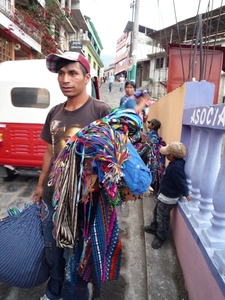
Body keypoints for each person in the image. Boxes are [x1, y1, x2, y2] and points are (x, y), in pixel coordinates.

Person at [33, 51, 111, 300]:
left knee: (78, 255)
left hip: (83, 205)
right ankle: (53, 290)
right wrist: (39, 185)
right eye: (61, 73)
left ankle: (77, 294)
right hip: (51, 197)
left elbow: (114, 156)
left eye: (72, 73)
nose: (65, 79)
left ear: (87, 77)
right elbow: (49, 150)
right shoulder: (55, 112)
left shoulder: (100, 111)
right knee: (52, 250)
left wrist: (96, 177)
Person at [144, 142, 191, 249]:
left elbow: (181, 181)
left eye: (167, 154)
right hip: (164, 194)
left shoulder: (175, 168)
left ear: (172, 156)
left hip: (168, 198)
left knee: (162, 217)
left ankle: (161, 236)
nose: (165, 155)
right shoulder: (177, 163)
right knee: (156, 212)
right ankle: (153, 227)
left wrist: (186, 193)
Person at [144, 119, 166, 195]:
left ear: (153, 126)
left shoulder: (152, 134)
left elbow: (149, 145)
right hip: (152, 154)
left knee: (151, 169)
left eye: (150, 123)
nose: (148, 123)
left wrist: (140, 151)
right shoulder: (152, 133)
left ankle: (150, 187)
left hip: (152, 155)